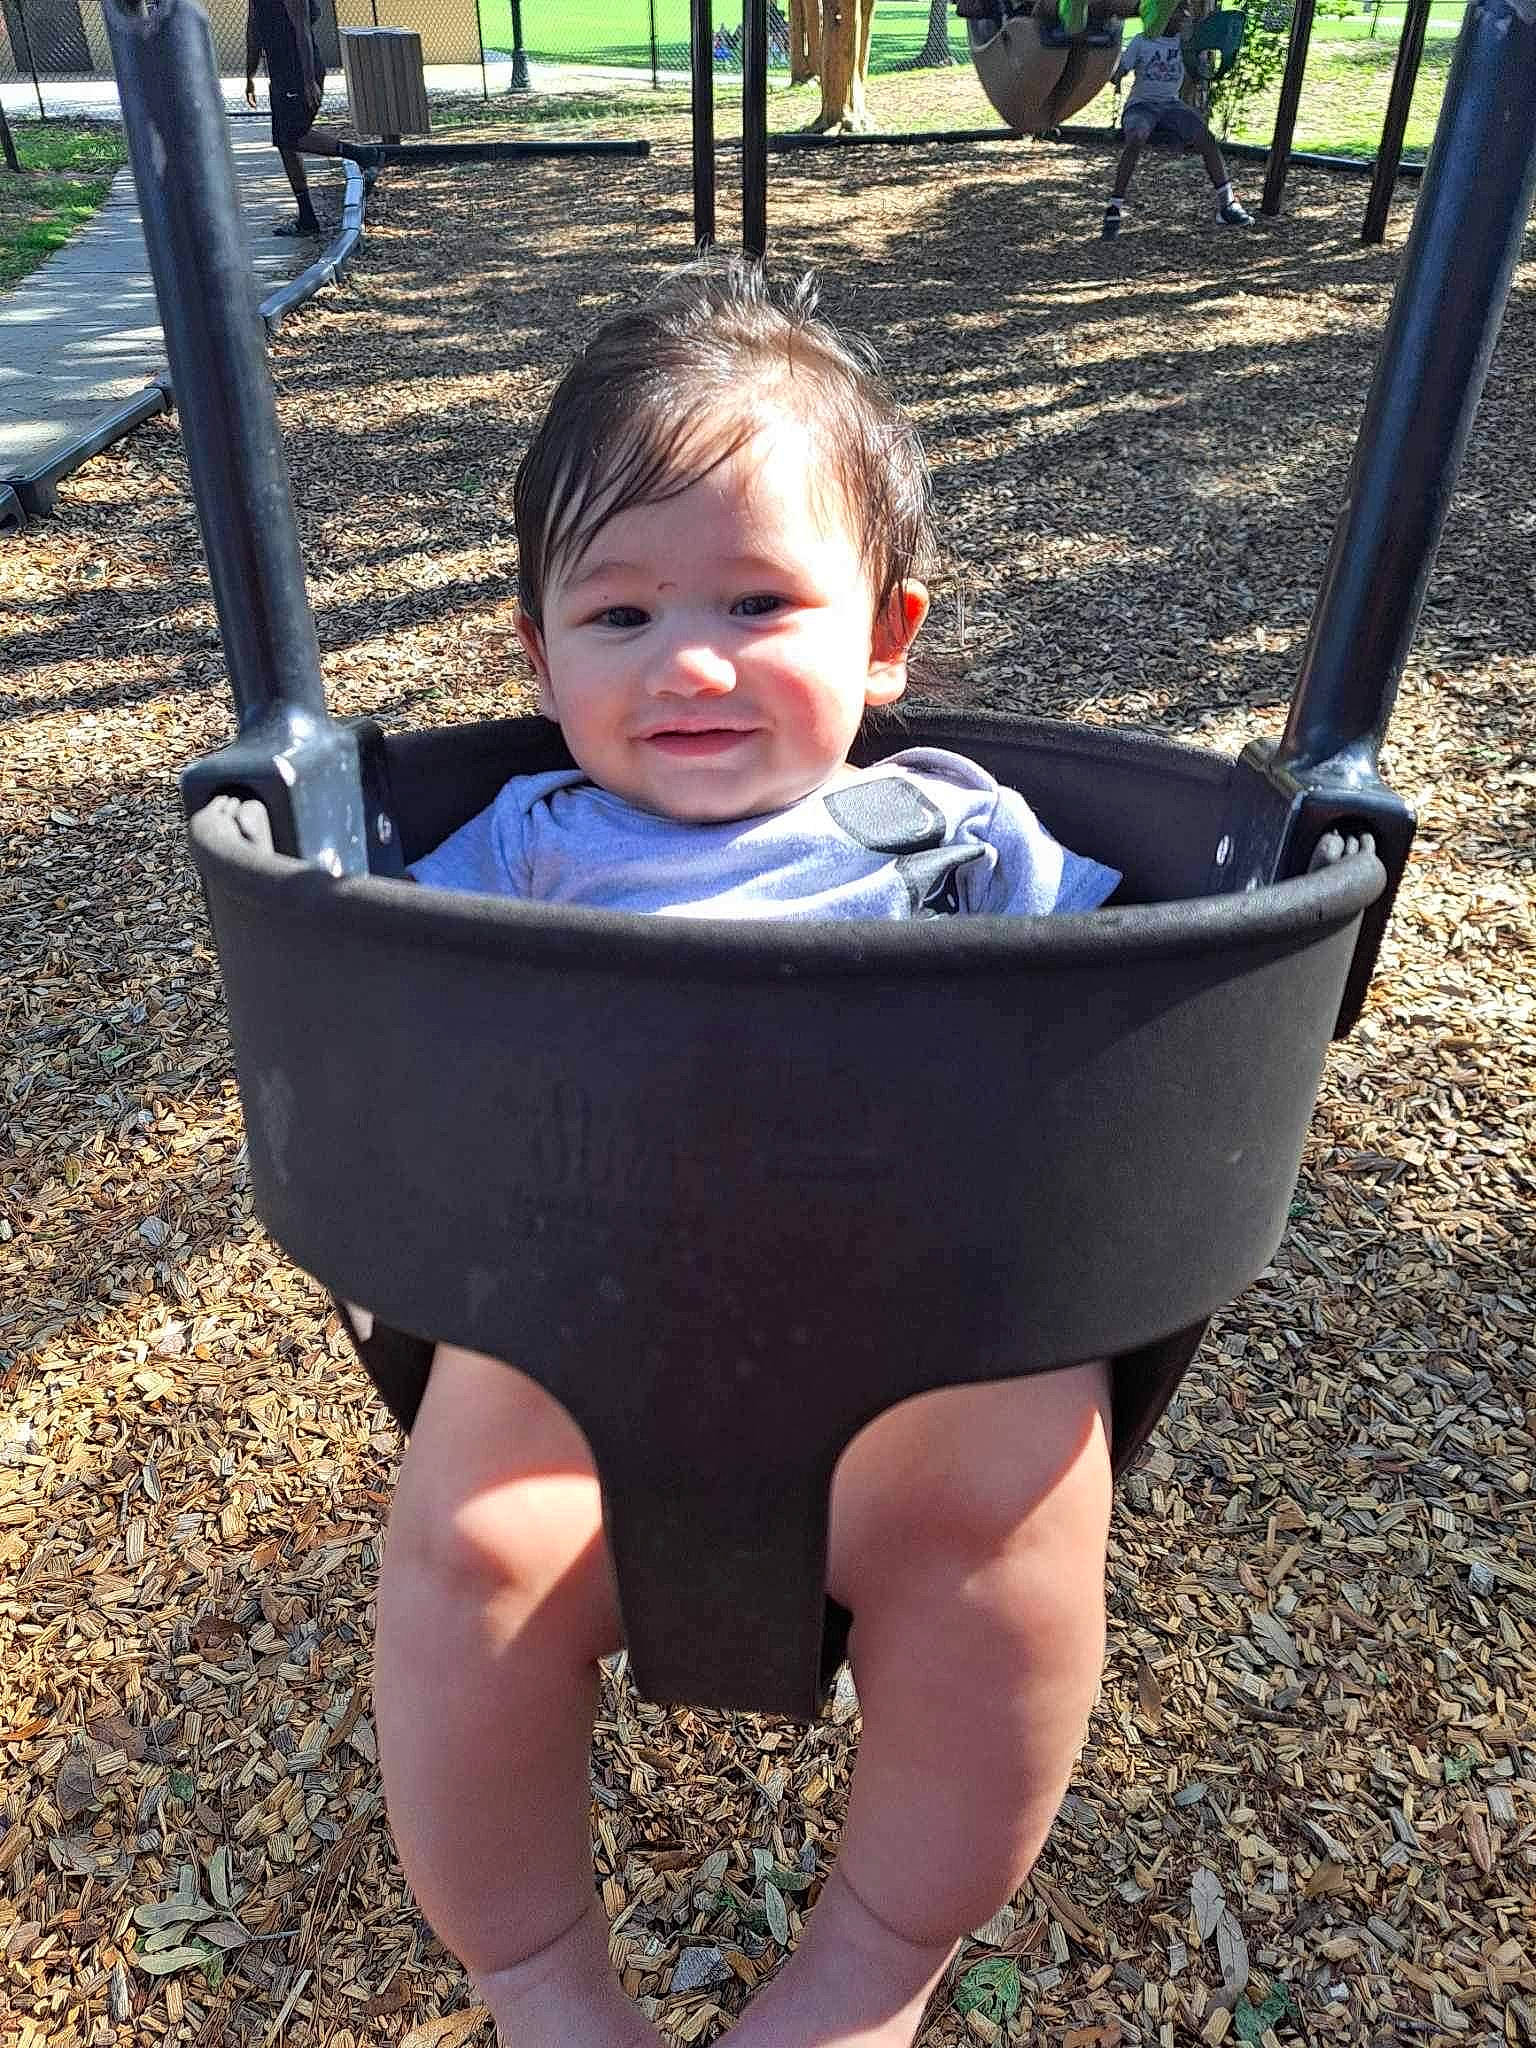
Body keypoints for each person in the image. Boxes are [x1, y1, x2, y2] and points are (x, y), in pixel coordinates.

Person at [372, 259, 1123, 2048]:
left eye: (759, 600)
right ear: (534, 655)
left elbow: (1123, 1016)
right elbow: (386, 1009)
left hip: (932, 1363)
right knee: (461, 1563)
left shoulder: (956, 832)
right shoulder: (526, 844)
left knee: (1015, 1550)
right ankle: (539, 1976)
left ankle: (873, 1964)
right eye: (616, 616)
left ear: (885, 636)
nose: (688, 659)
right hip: (579, 1347)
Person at [1101, 1, 1253, 237]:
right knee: (1136, 137)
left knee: (1206, 138)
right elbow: (1121, 69)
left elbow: (1198, 71)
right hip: (1142, 105)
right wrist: (1118, 75)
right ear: (1161, 15)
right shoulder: (1142, 42)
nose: (1185, 15)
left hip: (1171, 106)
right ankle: (1114, 207)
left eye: (1185, 9)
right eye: (1178, 10)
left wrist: (1207, 68)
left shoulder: (1185, 45)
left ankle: (1227, 204)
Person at [244, 0, 381, 238]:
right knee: (284, 144)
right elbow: (253, 31)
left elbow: (302, 30)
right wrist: (250, 75)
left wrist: (309, 81)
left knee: (294, 136)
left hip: (299, 73)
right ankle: (307, 218)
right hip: (279, 75)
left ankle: (363, 155)